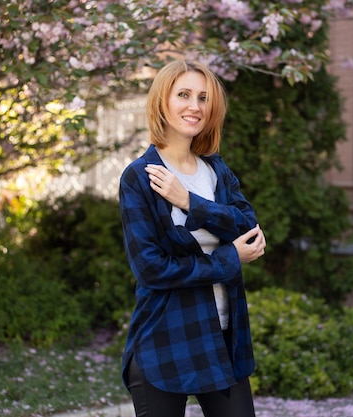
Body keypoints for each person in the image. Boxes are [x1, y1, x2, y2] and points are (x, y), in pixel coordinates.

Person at [118, 59, 267, 417]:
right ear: (162, 103)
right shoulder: (140, 177)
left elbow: (248, 230)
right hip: (165, 340)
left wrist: (188, 201)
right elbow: (151, 270)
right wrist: (229, 259)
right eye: (183, 94)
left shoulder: (216, 170)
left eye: (203, 98)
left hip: (222, 339)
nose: (195, 106)